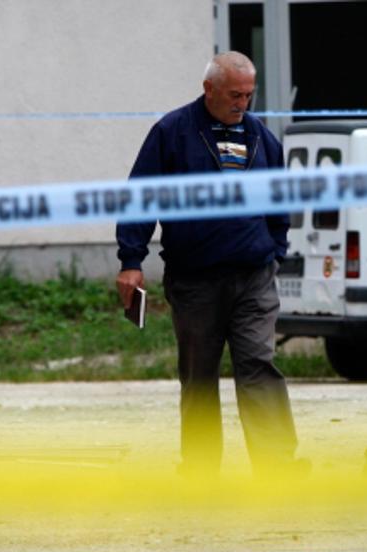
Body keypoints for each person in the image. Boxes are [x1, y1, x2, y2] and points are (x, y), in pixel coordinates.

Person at [115, 52, 302, 478]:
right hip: (195, 279)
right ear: (209, 89)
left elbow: (281, 202)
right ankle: (200, 470)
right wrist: (131, 259)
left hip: (253, 276)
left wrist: (274, 249)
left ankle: (278, 467)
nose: (243, 103)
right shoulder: (172, 133)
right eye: (235, 94)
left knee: (258, 365)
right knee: (199, 377)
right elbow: (140, 196)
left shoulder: (262, 139)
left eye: (249, 95)